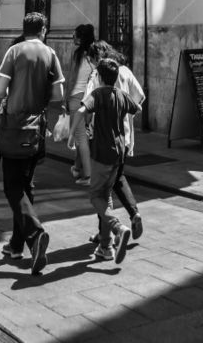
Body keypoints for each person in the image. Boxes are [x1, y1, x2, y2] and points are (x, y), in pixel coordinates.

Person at [0, 13, 64, 275]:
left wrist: (13, 92)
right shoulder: (51, 54)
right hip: (38, 129)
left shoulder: (14, 51)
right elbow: (58, 94)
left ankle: (35, 233)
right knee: (26, 185)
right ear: (43, 29)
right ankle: (17, 245)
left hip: (14, 128)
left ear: (25, 29)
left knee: (12, 187)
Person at [72, 57, 139, 265]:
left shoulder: (98, 94)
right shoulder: (121, 94)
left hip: (102, 152)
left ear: (99, 77)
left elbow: (82, 110)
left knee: (95, 196)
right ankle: (106, 247)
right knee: (107, 195)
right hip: (119, 152)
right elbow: (138, 108)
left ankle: (118, 228)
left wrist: (74, 131)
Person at [84, 41, 145, 242]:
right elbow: (140, 98)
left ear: (96, 59)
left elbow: (87, 104)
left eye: (91, 60)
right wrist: (125, 114)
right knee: (115, 181)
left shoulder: (97, 77)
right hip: (123, 138)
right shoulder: (125, 71)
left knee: (100, 192)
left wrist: (85, 129)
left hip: (102, 139)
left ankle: (110, 234)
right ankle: (114, 230)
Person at [66, 24, 95, 186]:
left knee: (81, 138)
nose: (73, 38)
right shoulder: (95, 54)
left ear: (80, 38)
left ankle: (89, 176)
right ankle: (77, 167)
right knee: (83, 135)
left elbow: (71, 78)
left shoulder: (77, 54)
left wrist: (65, 98)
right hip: (91, 99)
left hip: (76, 98)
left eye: (75, 35)